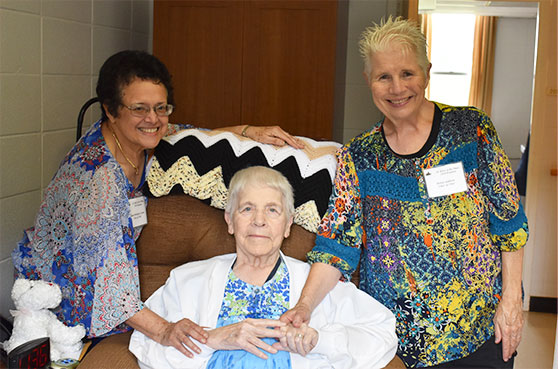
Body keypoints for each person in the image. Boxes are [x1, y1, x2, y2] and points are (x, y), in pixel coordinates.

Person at [11, 50, 303, 356]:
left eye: (161, 108)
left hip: (106, 277)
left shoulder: (139, 139)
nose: (153, 119)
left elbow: (184, 131)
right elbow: (108, 290)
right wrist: (166, 331)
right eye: (140, 108)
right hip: (62, 290)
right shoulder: (98, 183)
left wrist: (247, 131)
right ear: (110, 110)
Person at [281, 17, 529, 368]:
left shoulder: (471, 129)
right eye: (384, 76)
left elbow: (509, 220)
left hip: (478, 332)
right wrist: (303, 307)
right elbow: (336, 245)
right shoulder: (358, 156)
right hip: (390, 341)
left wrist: (512, 302)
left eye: (407, 74)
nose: (397, 88)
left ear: (427, 72)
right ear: (369, 81)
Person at [129, 166, 397, 369]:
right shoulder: (187, 280)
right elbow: (145, 344)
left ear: (288, 224)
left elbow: (381, 332)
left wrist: (320, 340)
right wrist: (210, 339)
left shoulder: (315, 284)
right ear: (230, 221)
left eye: (272, 210)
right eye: (246, 209)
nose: (259, 221)